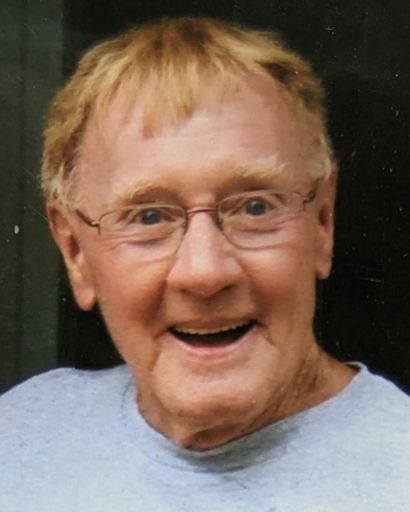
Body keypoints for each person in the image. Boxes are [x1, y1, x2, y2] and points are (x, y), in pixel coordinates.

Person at [0, 17, 409, 511]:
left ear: (323, 222)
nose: (205, 272)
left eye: (254, 208)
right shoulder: (19, 435)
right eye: (149, 217)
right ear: (76, 253)